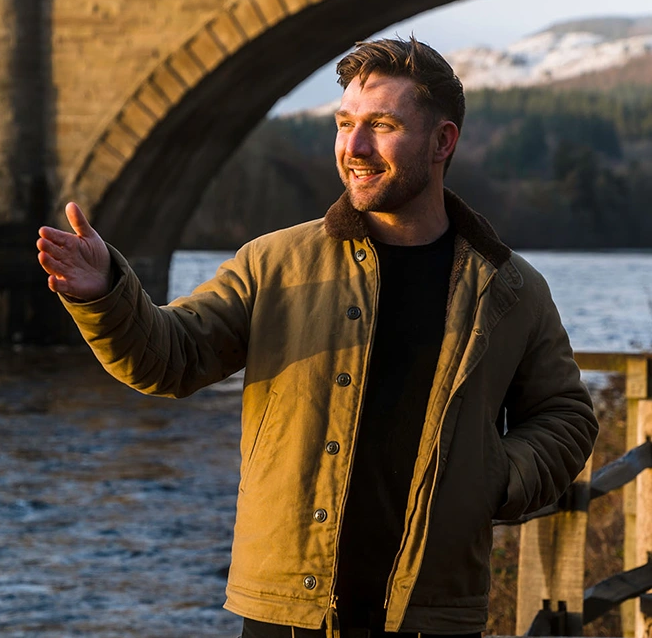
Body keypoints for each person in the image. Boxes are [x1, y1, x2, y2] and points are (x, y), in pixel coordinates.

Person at [36, 37, 598, 638]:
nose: (354, 147)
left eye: (381, 126)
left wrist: (495, 480)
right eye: (345, 124)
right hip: (286, 612)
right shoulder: (273, 263)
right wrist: (104, 295)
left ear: (443, 142)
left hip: (432, 616)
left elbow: (567, 417)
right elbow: (170, 358)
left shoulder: (510, 289)